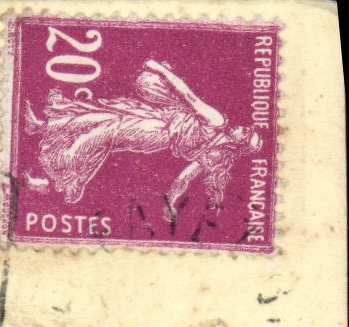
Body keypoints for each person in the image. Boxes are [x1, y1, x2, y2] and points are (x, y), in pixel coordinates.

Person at [23, 59, 261, 213]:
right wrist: (171, 203)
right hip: (158, 119)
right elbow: (183, 180)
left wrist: (160, 69)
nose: (243, 128)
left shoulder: (218, 122)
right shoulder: (214, 152)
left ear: (240, 143)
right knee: (105, 116)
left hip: (158, 131)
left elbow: (188, 96)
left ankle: (60, 180)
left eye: (246, 133)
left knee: (107, 131)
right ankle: (43, 127)